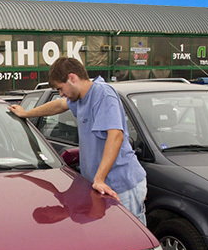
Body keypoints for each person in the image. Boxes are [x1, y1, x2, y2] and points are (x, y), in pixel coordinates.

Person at [8, 57, 147, 225]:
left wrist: (100, 179)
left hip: (122, 185)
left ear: (72, 78)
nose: (61, 93)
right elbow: (59, 105)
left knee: (130, 237)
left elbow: (116, 135)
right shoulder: (81, 99)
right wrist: (26, 114)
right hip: (100, 188)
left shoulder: (103, 94)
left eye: (60, 88)